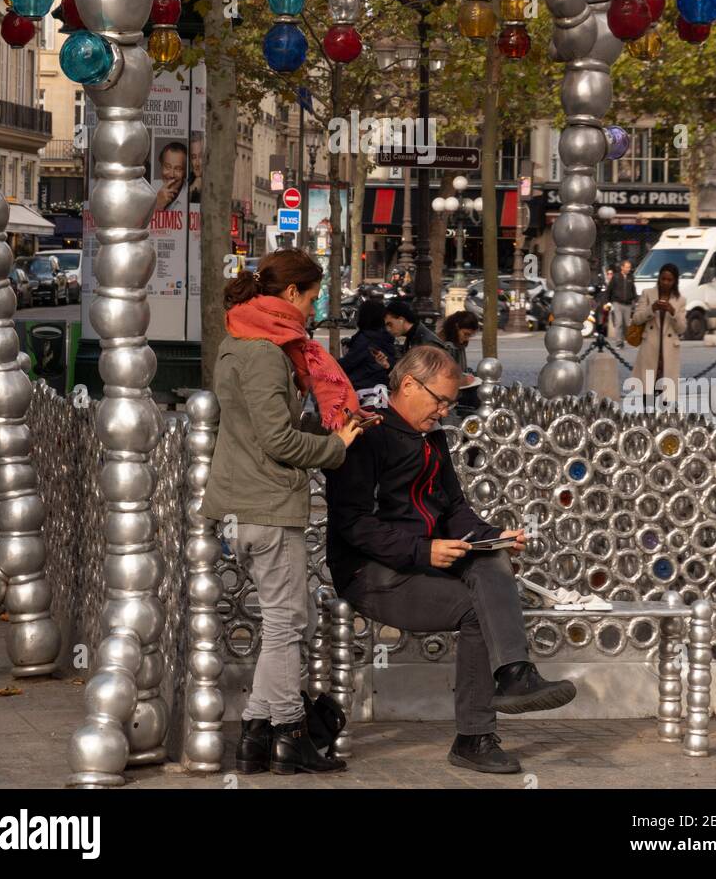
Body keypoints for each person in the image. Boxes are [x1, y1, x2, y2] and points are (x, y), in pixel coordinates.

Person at [325, 345, 577, 776]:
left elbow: (455, 510)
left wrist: (493, 536)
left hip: (423, 564)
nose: (444, 411)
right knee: (474, 607)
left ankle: (515, 674)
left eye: (450, 403)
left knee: (492, 560)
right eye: (439, 400)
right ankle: (475, 735)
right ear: (407, 385)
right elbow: (354, 525)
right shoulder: (366, 433)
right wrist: (423, 550)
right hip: (370, 573)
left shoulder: (432, 437)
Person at [202, 248, 366, 777]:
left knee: (285, 620)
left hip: (246, 500)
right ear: (291, 294)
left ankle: (256, 737)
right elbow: (276, 438)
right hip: (267, 502)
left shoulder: (237, 340)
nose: (313, 311)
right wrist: (335, 446)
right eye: (313, 298)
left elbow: (257, 429)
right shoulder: (267, 352)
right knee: (286, 623)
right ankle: (289, 734)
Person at [630, 262, 687, 409]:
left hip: (668, 352)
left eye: (669, 280)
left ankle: (664, 424)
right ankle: (648, 422)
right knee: (648, 393)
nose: (665, 283)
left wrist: (673, 312)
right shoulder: (648, 294)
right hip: (651, 348)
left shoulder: (680, 300)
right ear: (659, 278)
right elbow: (636, 319)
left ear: (675, 281)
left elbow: (681, 329)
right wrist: (652, 308)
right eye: (663, 279)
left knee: (666, 396)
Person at [339, 298, 397, 410]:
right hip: (381, 386)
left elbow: (348, 363)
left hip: (364, 386)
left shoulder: (365, 339)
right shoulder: (385, 336)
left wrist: (327, 363)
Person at [439, 309, 481, 415]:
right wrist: (464, 380)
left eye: (469, 335)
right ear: (456, 327)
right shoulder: (446, 346)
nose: (466, 339)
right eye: (465, 334)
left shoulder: (458, 344)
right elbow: (445, 377)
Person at [153, 140, 187, 212]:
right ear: (161, 167)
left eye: (178, 169)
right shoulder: (151, 189)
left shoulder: (190, 194)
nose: (171, 175)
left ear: (185, 172)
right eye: (167, 167)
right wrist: (157, 205)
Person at [608, 258, 636, 340]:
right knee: (619, 322)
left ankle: (625, 338)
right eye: (627, 267)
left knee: (627, 324)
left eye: (629, 267)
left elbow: (633, 289)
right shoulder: (616, 277)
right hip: (617, 303)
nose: (628, 269)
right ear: (622, 267)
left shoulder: (631, 277)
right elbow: (609, 289)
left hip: (628, 303)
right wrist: (608, 302)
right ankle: (618, 341)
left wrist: (635, 300)